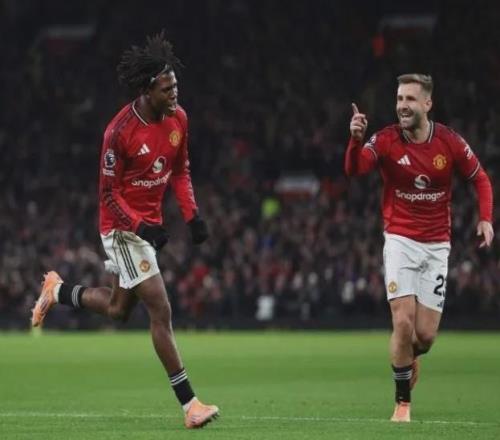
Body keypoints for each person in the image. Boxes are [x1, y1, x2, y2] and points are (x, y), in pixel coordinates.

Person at [31, 32, 219, 429]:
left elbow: (180, 171)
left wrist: (193, 216)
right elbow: (108, 194)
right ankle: (190, 405)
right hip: (121, 228)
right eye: (167, 89)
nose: (174, 94)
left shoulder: (179, 119)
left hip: (147, 226)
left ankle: (57, 291)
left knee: (118, 310)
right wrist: (141, 228)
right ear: (148, 90)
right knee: (161, 309)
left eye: (176, 86)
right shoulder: (119, 132)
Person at [345, 73, 494, 422]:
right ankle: (402, 404)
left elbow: (480, 178)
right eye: (399, 99)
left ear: (427, 104)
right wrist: (355, 140)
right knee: (402, 323)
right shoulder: (385, 139)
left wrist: (486, 218)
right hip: (400, 239)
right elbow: (355, 169)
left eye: (410, 99)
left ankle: (408, 357)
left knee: (424, 336)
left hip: (437, 246)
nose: (402, 106)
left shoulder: (448, 142)